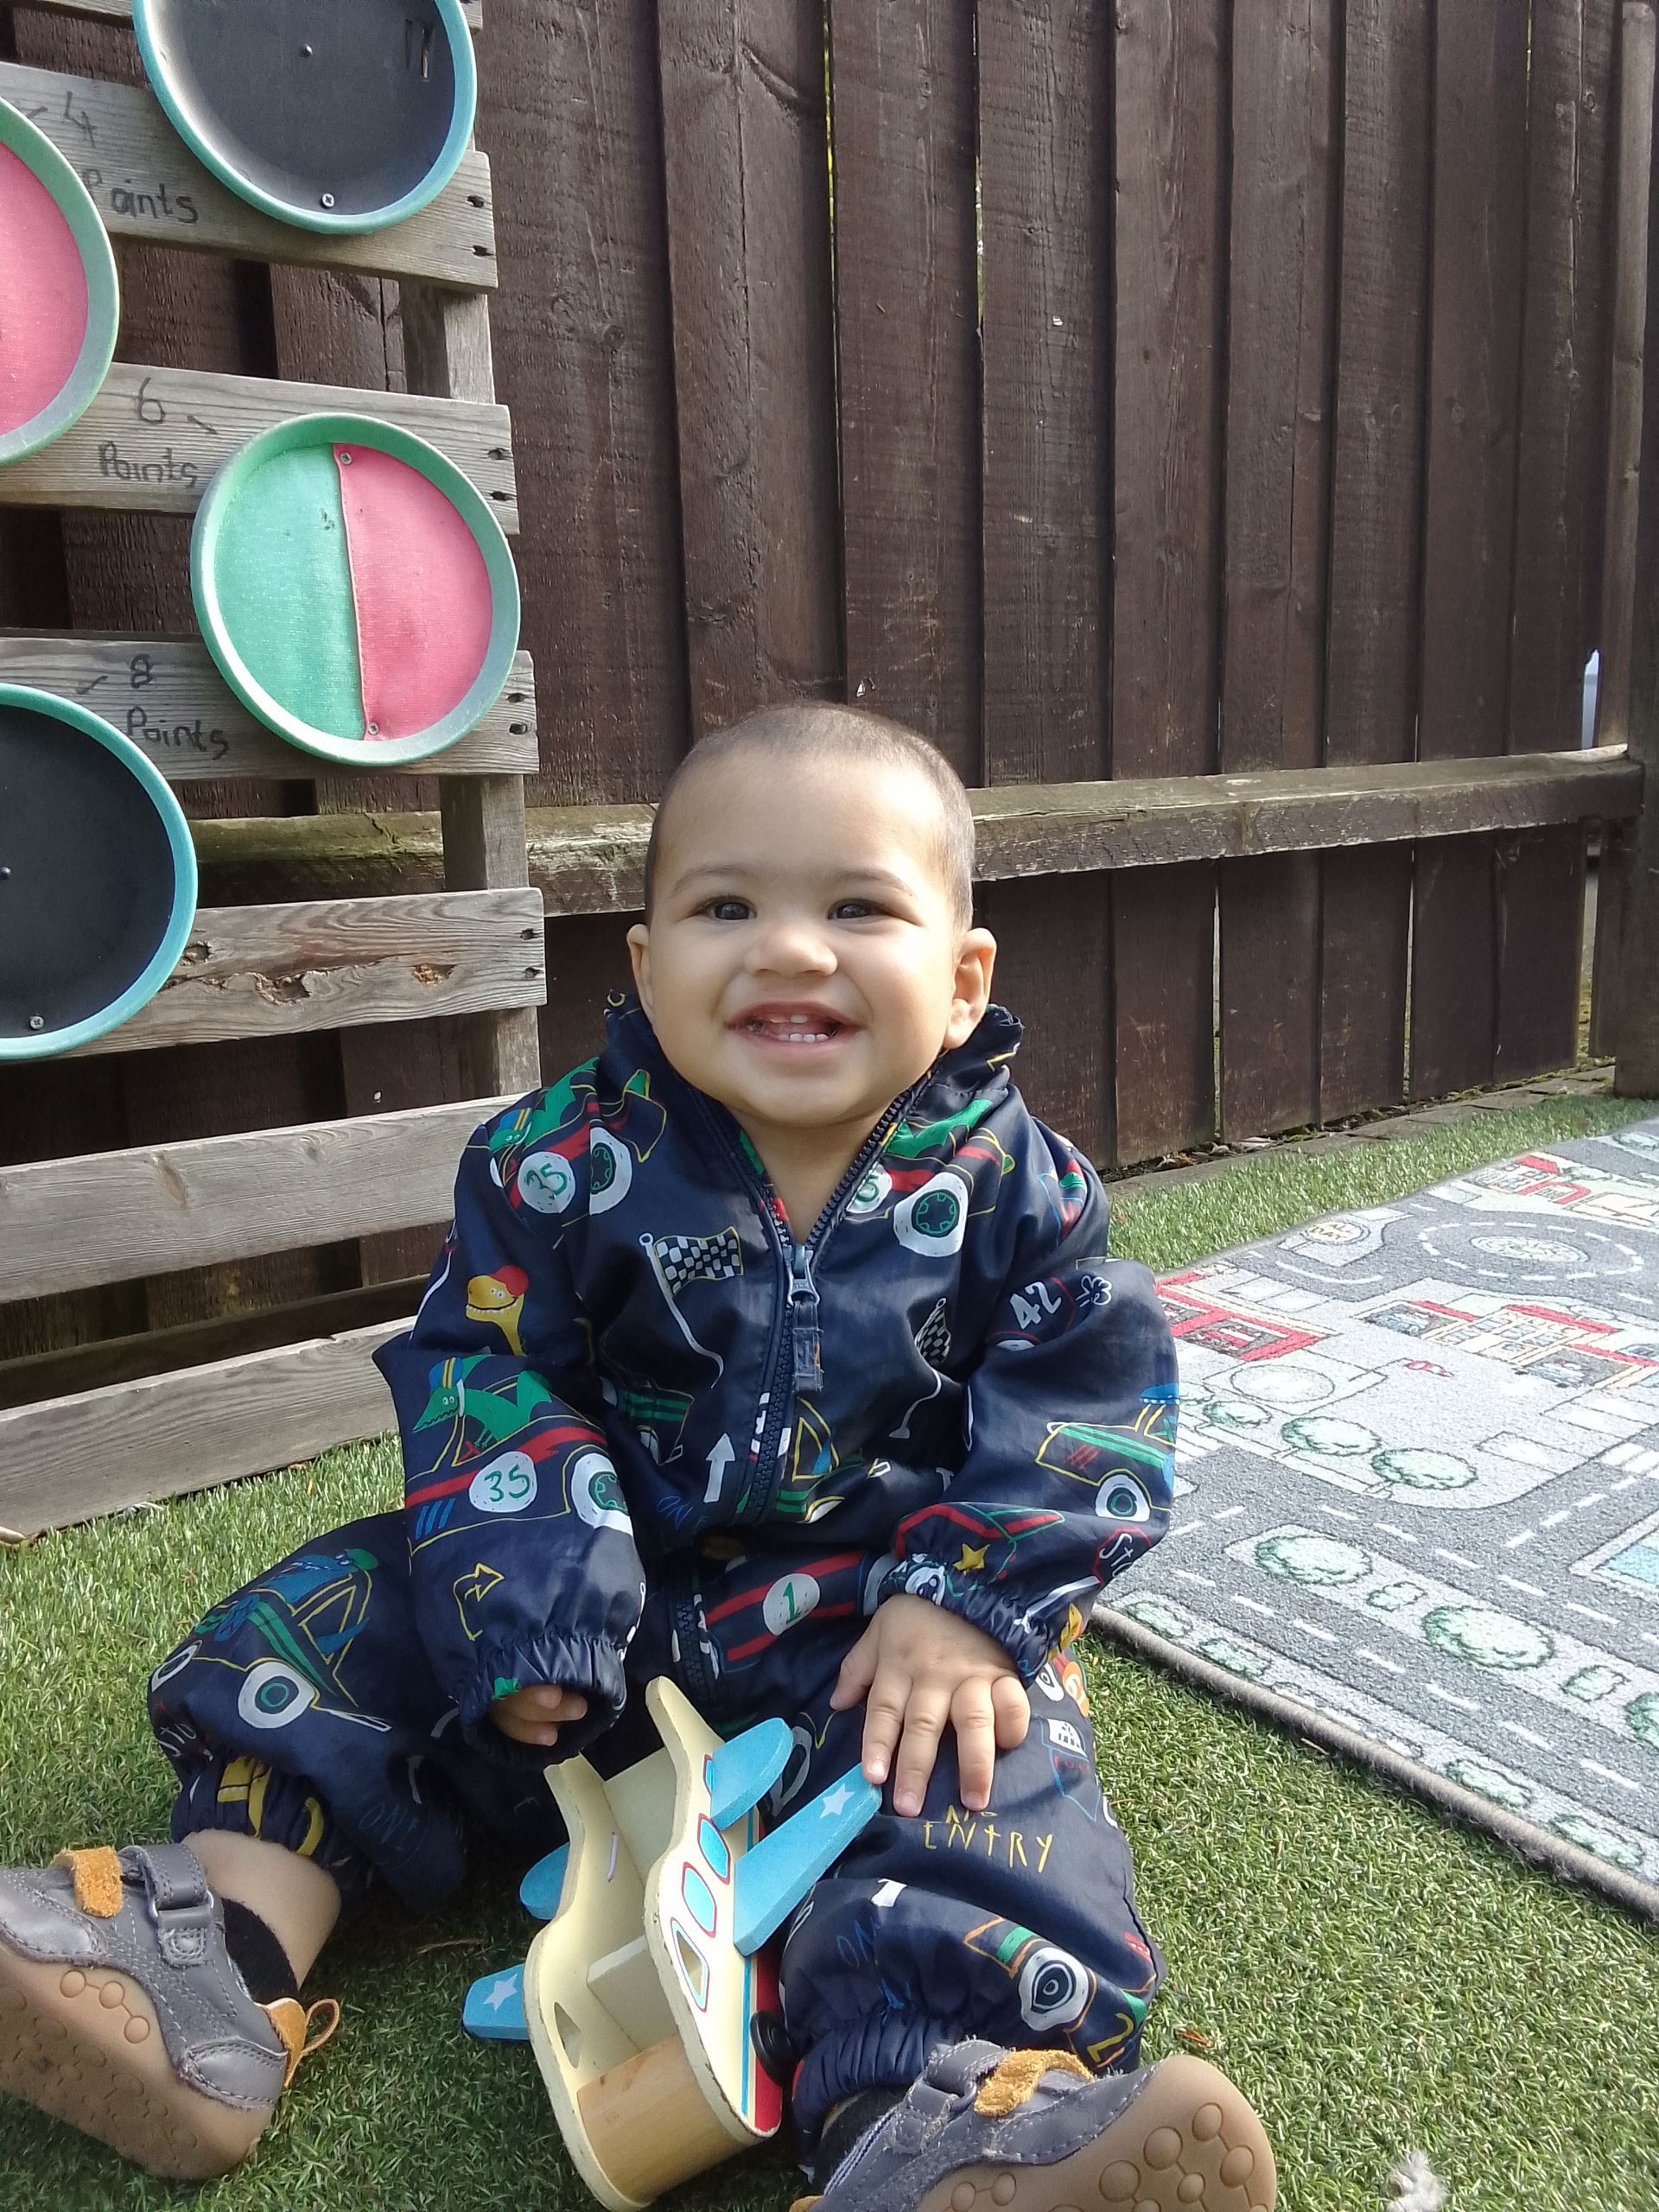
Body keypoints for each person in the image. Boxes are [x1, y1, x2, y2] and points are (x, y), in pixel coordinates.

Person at [0, 705, 1275, 2212]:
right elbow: (482, 1365)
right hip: (572, 1619)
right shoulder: (558, 1162)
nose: (790, 949)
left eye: (857, 906)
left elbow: (1093, 1387)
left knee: (985, 1781)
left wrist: (970, 1602)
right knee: (344, 1626)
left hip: (866, 1640)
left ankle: (937, 2129)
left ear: (961, 975)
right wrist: (532, 1598)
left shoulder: (1019, 1186)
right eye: (725, 906)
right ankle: (207, 1961)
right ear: (646, 965)